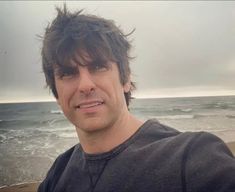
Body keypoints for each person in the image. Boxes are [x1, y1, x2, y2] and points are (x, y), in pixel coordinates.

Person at [38, 5, 235, 192]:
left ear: (126, 79)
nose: (85, 85)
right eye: (67, 73)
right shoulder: (58, 174)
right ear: (56, 93)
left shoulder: (192, 156)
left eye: (98, 67)